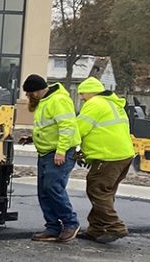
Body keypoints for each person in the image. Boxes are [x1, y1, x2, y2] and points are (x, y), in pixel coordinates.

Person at [73, 76, 134, 243]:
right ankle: (96, 229)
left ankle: (115, 226)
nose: (81, 98)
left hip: (108, 156)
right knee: (105, 192)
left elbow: (78, 129)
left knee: (97, 190)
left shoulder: (94, 104)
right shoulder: (113, 103)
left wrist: (66, 145)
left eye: (82, 94)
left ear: (90, 92)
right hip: (123, 155)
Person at [23, 73, 79, 243]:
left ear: (35, 91)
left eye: (28, 93)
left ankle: (70, 223)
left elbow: (67, 126)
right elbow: (49, 126)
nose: (27, 96)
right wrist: (33, 137)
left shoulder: (58, 100)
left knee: (53, 187)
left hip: (58, 153)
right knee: (44, 190)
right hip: (46, 152)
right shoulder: (46, 101)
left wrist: (61, 151)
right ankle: (53, 227)